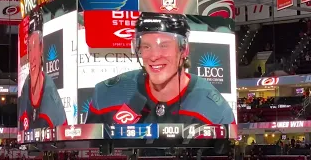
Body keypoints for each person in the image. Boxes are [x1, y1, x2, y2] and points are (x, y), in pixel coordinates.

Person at [86, 12, 235, 125]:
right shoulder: (107, 95)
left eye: (164, 46)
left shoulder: (214, 110)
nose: (154, 56)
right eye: (146, 46)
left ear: (184, 50)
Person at [18, 10, 67, 131]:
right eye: (29, 49)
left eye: (34, 47)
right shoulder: (25, 86)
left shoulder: (51, 101)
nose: (32, 57)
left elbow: (64, 140)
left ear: (41, 48)